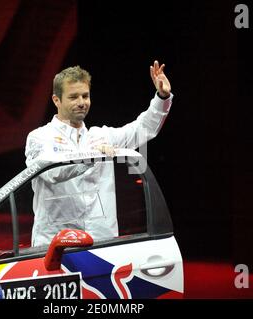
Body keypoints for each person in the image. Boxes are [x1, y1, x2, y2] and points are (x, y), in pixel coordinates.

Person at [25, 60, 173, 247]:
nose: (81, 103)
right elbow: (51, 173)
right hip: (54, 246)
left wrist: (162, 97)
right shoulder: (39, 137)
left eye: (85, 96)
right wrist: (92, 156)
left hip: (102, 244)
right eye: (73, 97)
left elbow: (143, 128)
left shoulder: (102, 136)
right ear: (56, 100)